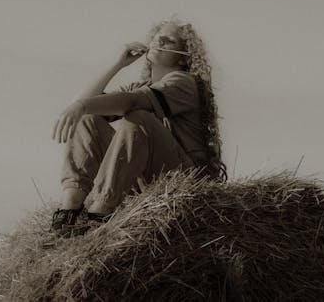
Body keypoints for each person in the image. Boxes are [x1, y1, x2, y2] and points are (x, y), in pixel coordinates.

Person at [50, 18, 227, 238]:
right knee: (88, 119)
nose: (158, 39)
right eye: (157, 36)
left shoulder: (183, 82)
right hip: (147, 182)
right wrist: (117, 64)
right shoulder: (141, 87)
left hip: (183, 182)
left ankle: (100, 212)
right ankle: (70, 210)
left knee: (138, 118)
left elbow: (132, 102)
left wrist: (81, 106)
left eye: (169, 40)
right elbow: (83, 104)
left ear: (184, 57)